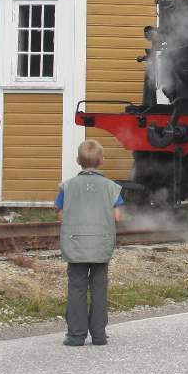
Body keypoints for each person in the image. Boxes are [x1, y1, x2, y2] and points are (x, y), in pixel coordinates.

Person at [55, 140, 125, 346]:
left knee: (76, 286)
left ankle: (76, 335)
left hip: (75, 245)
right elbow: (117, 217)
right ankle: (99, 335)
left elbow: (61, 214)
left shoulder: (67, 186)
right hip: (101, 245)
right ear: (101, 161)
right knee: (99, 287)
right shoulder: (111, 188)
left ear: (78, 161)